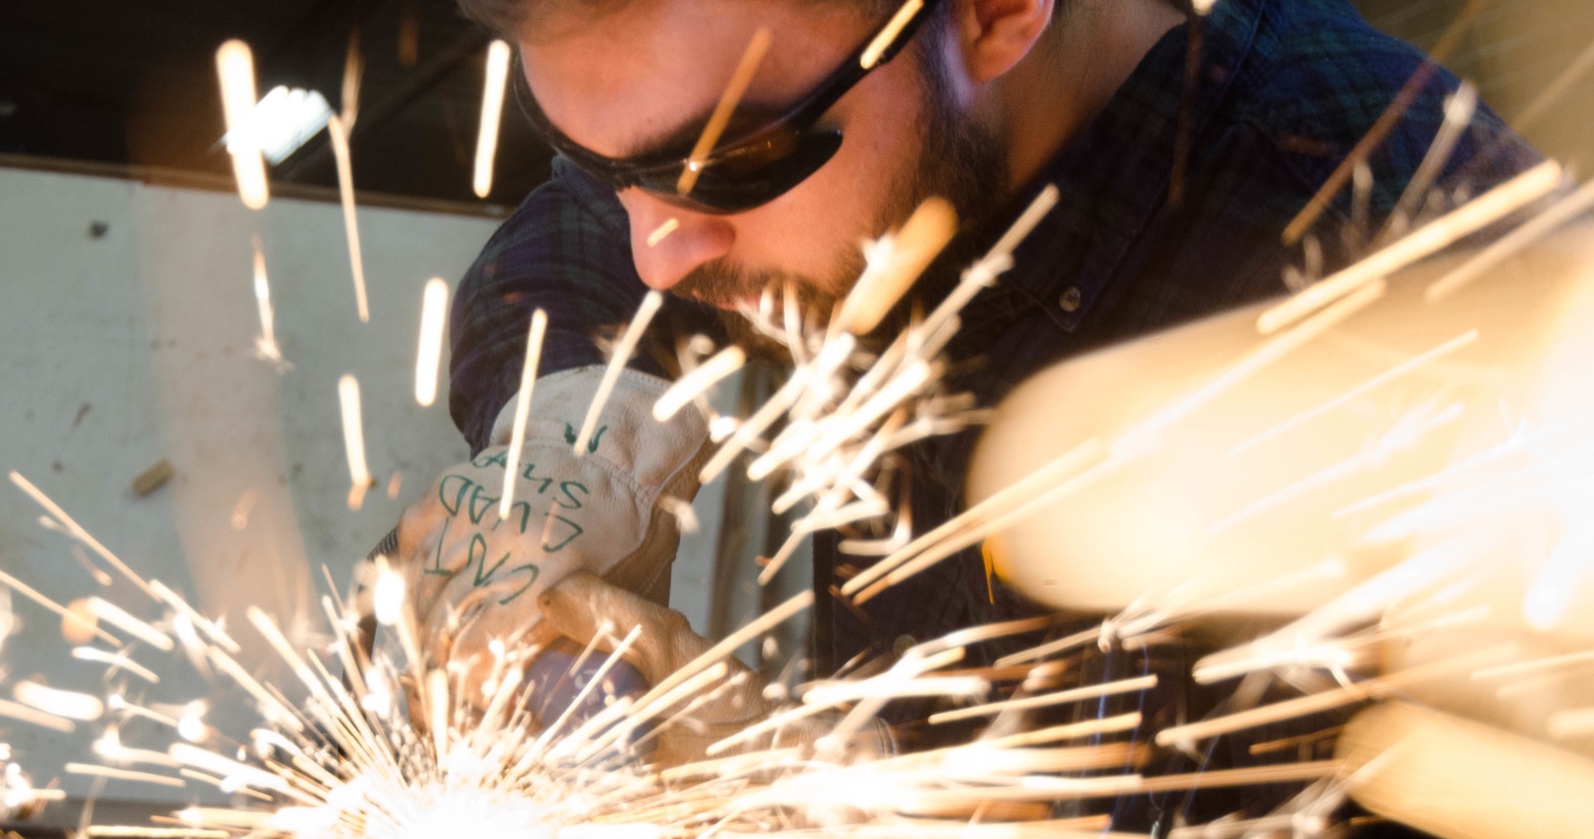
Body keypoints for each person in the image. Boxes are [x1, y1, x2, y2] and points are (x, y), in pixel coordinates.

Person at [385, 0, 1543, 689]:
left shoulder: (1402, 261)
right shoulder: (834, 108)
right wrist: (577, 437)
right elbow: (581, 243)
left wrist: (819, 803)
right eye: (604, 162)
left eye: (727, 166)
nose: (657, 252)